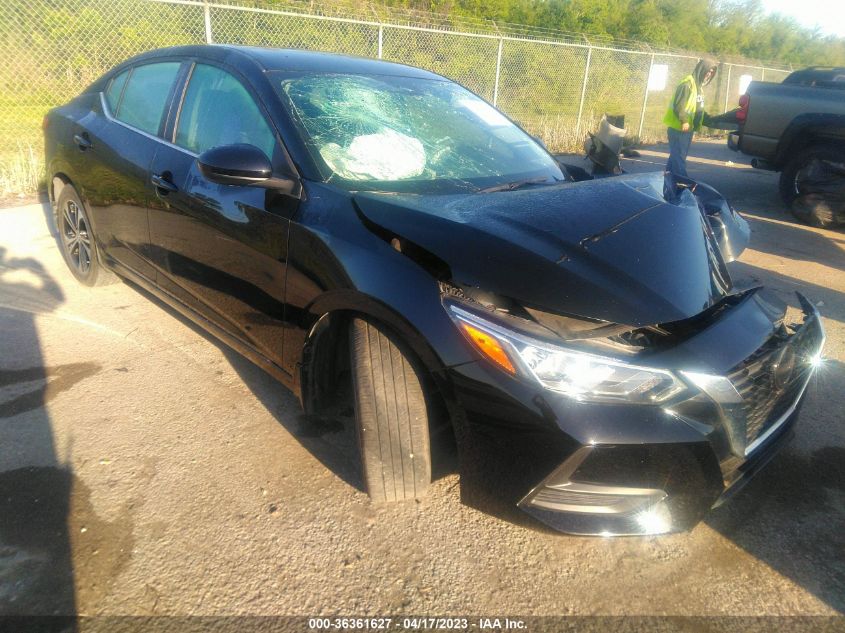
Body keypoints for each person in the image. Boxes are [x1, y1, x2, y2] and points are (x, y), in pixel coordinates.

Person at [664, 58, 718, 177]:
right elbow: (679, 105)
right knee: (679, 157)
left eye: (711, 72)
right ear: (701, 69)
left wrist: (708, 120)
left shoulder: (698, 87)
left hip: (687, 129)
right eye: (708, 71)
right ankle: (683, 182)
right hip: (678, 128)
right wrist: (684, 121)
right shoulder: (687, 84)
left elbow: (697, 108)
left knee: (676, 156)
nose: (709, 74)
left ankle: (668, 178)